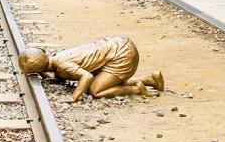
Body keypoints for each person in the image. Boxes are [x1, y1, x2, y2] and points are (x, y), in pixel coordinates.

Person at [18, 35, 165, 101]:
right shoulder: (58, 56)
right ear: (44, 51)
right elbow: (55, 76)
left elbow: (87, 76)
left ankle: (138, 90)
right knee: (103, 80)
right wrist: (46, 77)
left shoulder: (62, 65)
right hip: (117, 44)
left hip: (122, 55)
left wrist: (73, 97)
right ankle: (150, 80)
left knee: (95, 90)